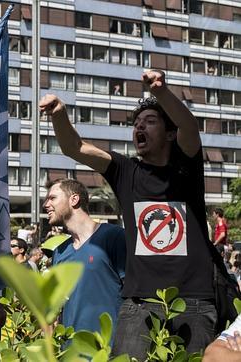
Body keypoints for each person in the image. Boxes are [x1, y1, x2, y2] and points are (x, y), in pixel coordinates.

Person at [40, 69, 216, 357]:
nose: (139, 128)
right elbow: (75, 147)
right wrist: (59, 114)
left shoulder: (187, 166)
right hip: (138, 303)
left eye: (149, 121)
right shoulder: (125, 171)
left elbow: (189, 125)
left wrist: (160, 91)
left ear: (170, 134)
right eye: (136, 124)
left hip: (193, 302)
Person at [44, 178, 126, 340]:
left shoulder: (114, 236)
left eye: (52, 198)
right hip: (70, 352)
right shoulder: (59, 252)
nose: (46, 205)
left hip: (108, 350)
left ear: (74, 199)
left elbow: (134, 298)